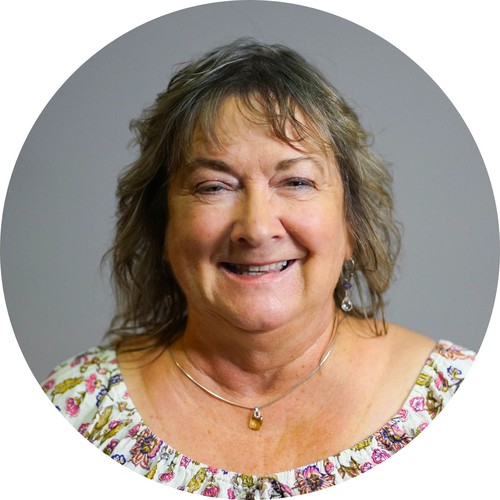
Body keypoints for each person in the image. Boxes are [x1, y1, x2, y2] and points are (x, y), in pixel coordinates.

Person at [42, 38, 475, 497]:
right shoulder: (76, 412)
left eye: (296, 182)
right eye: (213, 186)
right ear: (162, 227)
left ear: (352, 225)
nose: (256, 228)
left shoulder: (456, 402)